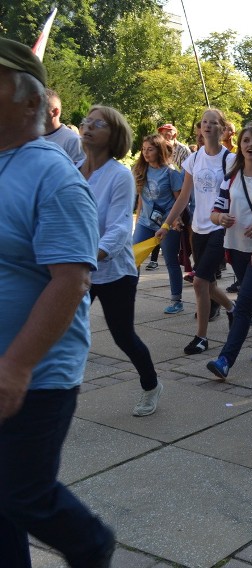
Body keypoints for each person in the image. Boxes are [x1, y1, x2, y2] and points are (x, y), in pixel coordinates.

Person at [0, 39, 115, 566]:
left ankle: (91, 546)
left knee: (23, 493)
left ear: (31, 102)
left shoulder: (54, 176)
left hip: (36, 374)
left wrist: (17, 367)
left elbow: (70, 281)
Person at [81, 106, 164, 416]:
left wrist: (89, 259)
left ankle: (151, 384)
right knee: (62, 333)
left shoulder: (118, 175)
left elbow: (118, 229)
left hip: (114, 272)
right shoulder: (73, 170)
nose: (88, 126)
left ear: (114, 135)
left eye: (97, 123)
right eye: (86, 121)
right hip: (77, 271)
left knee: (122, 335)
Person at [156, 108, 237, 354]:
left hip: (220, 228)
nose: (208, 126)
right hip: (198, 228)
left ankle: (201, 337)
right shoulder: (194, 159)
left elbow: (238, 195)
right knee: (209, 285)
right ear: (200, 128)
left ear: (223, 130)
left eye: (213, 123)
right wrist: (167, 224)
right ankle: (233, 310)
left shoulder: (231, 160)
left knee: (200, 282)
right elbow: (183, 198)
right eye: (204, 122)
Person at [205, 124, 252, 379]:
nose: (250, 145)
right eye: (246, 140)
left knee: (244, 302)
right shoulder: (231, 176)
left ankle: (226, 359)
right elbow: (215, 211)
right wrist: (220, 218)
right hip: (235, 248)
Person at [132, 133, 185, 313]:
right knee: (132, 258)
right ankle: (127, 295)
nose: (146, 153)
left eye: (150, 149)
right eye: (144, 149)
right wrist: (138, 220)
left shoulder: (170, 172)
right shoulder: (141, 169)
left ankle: (176, 300)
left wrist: (175, 221)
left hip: (167, 224)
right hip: (146, 223)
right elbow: (141, 199)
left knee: (171, 260)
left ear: (159, 150)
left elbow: (180, 200)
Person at [42, 88, 84, 162]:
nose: (33, 112)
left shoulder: (72, 140)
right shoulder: (29, 136)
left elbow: (78, 171)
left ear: (55, 112)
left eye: (40, 109)